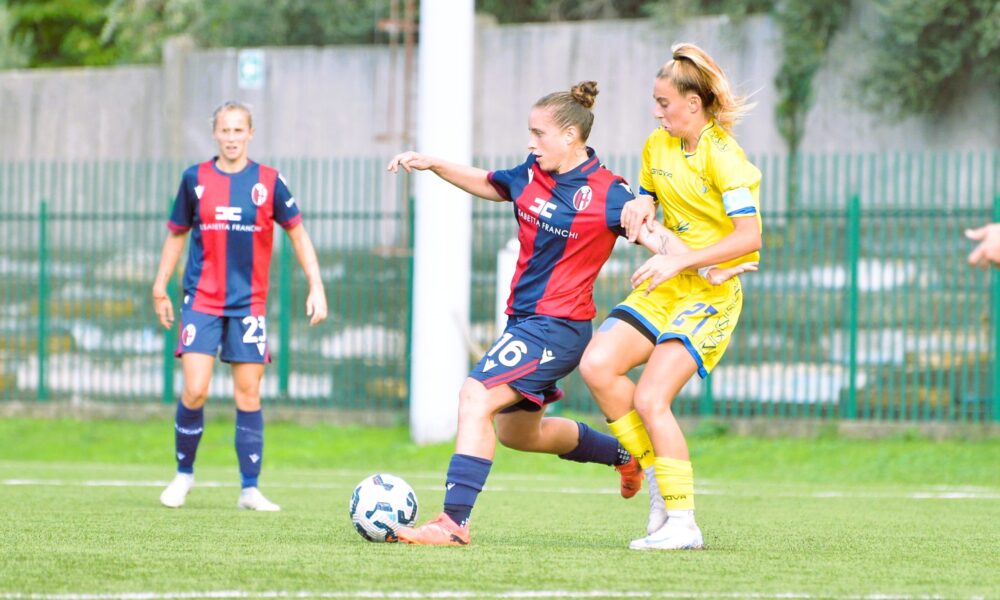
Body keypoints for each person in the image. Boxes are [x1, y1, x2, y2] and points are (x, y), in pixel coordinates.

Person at [385, 81, 751, 546]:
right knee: (518, 432)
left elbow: (657, 238)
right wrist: (434, 163)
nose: (531, 142)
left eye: (538, 133)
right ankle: (623, 454)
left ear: (570, 137)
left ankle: (453, 524)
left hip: (558, 328)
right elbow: (492, 184)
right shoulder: (530, 174)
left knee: (474, 396)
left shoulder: (608, 192)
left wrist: (711, 267)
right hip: (523, 323)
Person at [579, 43, 763, 551]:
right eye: (655, 101)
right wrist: (640, 205)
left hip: (710, 295)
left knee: (650, 397)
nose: (656, 111)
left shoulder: (724, 156)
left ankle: (684, 524)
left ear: (693, 104)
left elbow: (751, 237)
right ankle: (659, 479)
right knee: (597, 365)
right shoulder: (655, 146)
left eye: (664, 102)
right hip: (667, 285)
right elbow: (651, 198)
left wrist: (681, 259)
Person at [152, 101, 328, 511]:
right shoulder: (193, 178)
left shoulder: (269, 181)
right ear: (215, 133)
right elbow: (177, 234)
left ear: (250, 134)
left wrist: (315, 285)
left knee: (248, 394)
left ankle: (250, 488)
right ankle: (183, 474)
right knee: (195, 389)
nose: (231, 138)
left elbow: (298, 235)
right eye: (225, 131)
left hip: (248, 305)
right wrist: (160, 285)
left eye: (238, 131)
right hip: (201, 300)